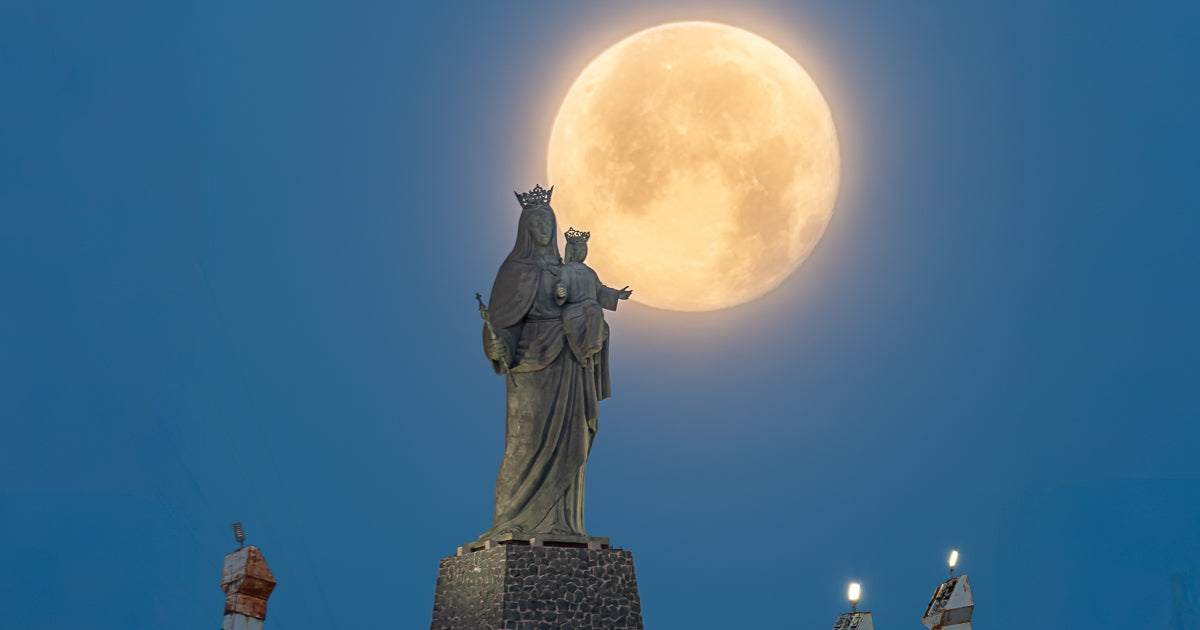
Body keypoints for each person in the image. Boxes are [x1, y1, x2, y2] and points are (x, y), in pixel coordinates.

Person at [479, 186, 629, 539]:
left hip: (569, 362)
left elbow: (588, 301)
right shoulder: (514, 269)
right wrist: (496, 346)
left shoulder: (569, 271)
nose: (544, 230)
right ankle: (509, 521)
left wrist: (596, 327)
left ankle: (563, 524)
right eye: (537, 223)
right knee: (524, 445)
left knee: (570, 439)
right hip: (530, 365)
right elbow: (501, 322)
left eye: (549, 222)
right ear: (526, 229)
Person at [555, 227, 632, 369]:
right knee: (581, 318)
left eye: (584, 249)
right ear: (571, 251)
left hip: (589, 307)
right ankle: (582, 353)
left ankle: (592, 346)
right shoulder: (565, 270)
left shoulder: (590, 272)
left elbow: (599, 289)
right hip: (572, 309)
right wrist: (561, 291)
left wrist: (617, 295)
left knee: (596, 312)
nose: (581, 252)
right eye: (578, 249)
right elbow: (562, 283)